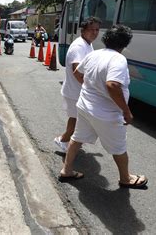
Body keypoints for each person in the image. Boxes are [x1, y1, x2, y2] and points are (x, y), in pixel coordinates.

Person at [59, 25, 148, 189]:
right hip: (106, 114)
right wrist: (126, 111)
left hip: (85, 107)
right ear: (125, 43)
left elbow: (78, 72)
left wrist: (91, 88)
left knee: (77, 138)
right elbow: (113, 85)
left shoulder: (94, 54)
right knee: (119, 147)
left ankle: (67, 170)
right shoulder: (118, 59)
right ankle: (125, 178)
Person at [54, 17, 101, 152]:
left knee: (77, 119)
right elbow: (77, 72)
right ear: (83, 30)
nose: (94, 32)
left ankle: (70, 141)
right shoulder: (79, 46)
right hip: (74, 91)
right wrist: (91, 87)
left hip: (78, 91)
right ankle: (63, 140)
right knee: (76, 120)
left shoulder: (88, 44)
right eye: (91, 30)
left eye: (97, 30)